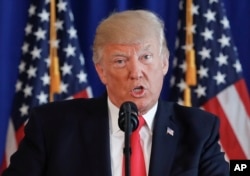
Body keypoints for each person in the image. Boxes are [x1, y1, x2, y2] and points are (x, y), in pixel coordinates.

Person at [2, 10, 229, 176]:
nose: (136, 72)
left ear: (164, 63)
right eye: (121, 61)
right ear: (101, 71)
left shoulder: (199, 129)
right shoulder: (52, 126)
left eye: (146, 57)